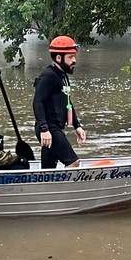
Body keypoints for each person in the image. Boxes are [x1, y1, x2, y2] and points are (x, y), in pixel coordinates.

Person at [34, 34, 87, 169]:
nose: (74, 60)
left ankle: (46, 189)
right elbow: (37, 102)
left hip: (53, 128)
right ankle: (67, 189)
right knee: (73, 162)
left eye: (74, 56)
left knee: (48, 168)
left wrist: (77, 126)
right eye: (70, 57)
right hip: (49, 128)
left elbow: (67, 103)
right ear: (58, 58)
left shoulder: (62, 75)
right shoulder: (48, 76)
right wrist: (44, 129)